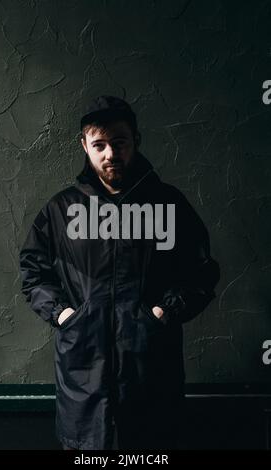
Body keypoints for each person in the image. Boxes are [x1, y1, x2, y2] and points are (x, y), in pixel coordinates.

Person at [19, 95, 220, 450]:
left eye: (119, 142)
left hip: (149, 368)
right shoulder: (62, 209)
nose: (110, 153)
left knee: (150, 451)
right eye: (99, 144)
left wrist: (162, 312)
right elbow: (34, 271)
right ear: (85, 145)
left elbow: (201, 272)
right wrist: (65, 314)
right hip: (84, 368)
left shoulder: (168, 204)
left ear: (135, 141)